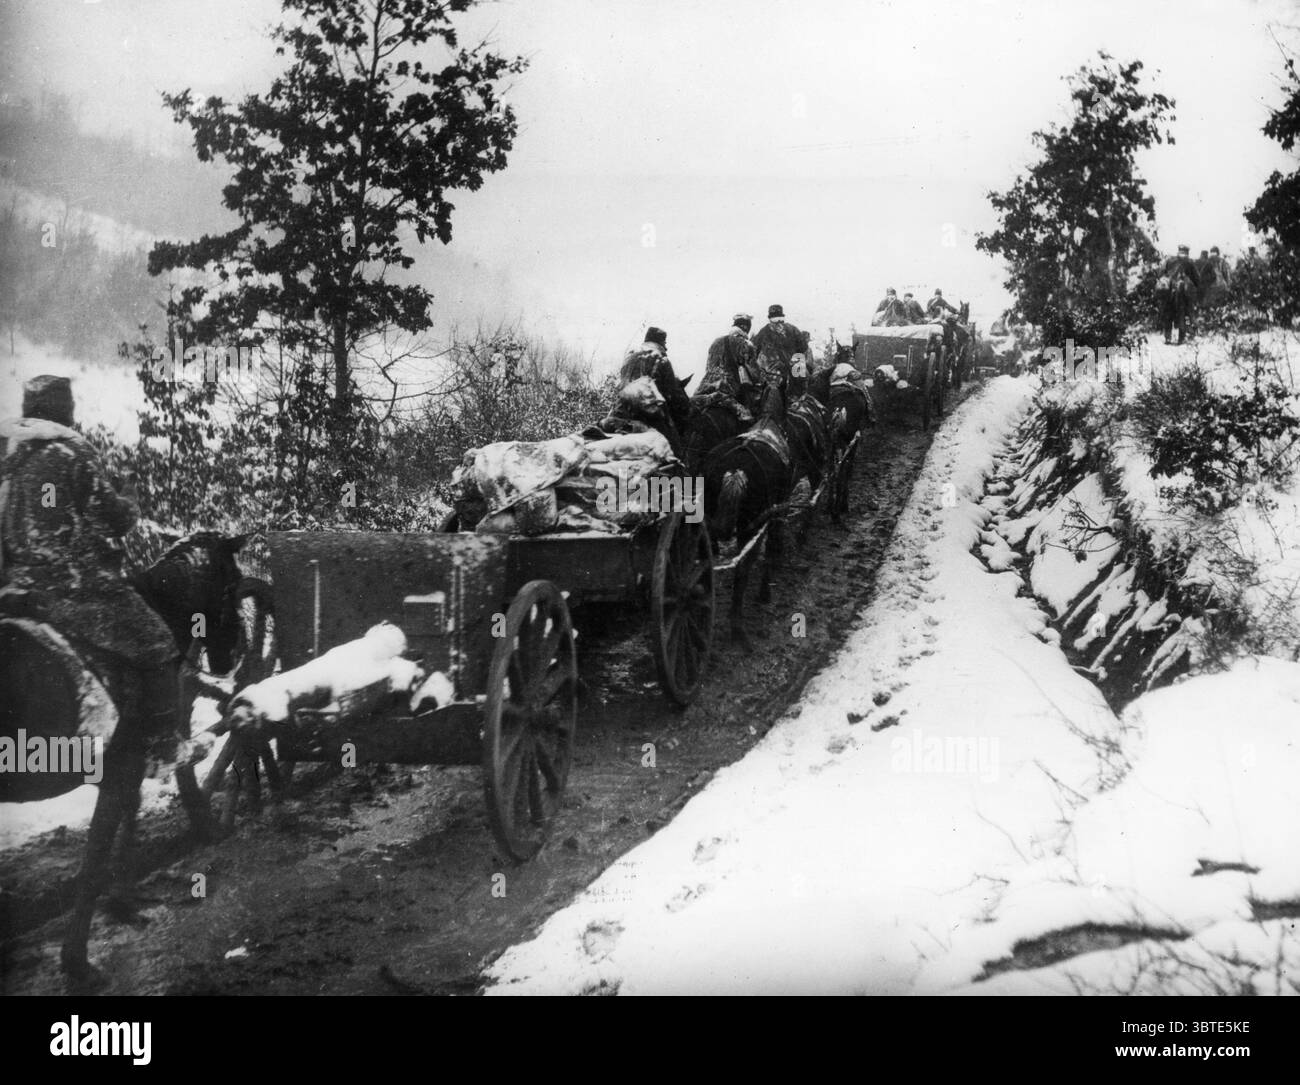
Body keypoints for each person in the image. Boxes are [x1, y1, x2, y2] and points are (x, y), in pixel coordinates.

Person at [1, 375, 191, 978]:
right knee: (159, 643)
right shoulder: (67, 452)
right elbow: (117, 516)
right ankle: (164, 741)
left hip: (11, 590)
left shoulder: (8, 453)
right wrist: (123, 506)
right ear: (65, 410)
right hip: (63, 587)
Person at [616, 326, 693, 453]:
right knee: (676, 450)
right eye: (665, 343)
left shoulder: (629, 357)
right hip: (648, 415)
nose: (666, 347)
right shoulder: (661, 359)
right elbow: (674, 396)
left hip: (620, 411)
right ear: (660, 343)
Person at [699, 312, 760, 414]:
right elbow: (755, 374)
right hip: (729, 389)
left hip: (706, 387)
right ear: (746, 328)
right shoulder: (746, 344)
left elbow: (709, 367)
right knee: (752, 416)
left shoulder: (716, 341)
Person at [750, 304, 808, 380]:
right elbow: (753, 351)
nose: (778, 322)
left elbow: (802, 348)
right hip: (778, 374)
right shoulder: (764, 332)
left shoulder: (792, 330)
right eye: (775, 319)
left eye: (779, 319)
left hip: (782, 373)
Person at [1157, 245, 1200, 344]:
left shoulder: (1169, 260)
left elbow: (1160, 273)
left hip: (1169, 292)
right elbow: (1197, 279)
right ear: (1187, 253)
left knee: (1168, 314)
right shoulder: (1190, 263)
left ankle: (1168, 338)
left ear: (1178, 251)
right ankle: (1181, 339)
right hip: (1182, 293)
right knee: (1182, 315)